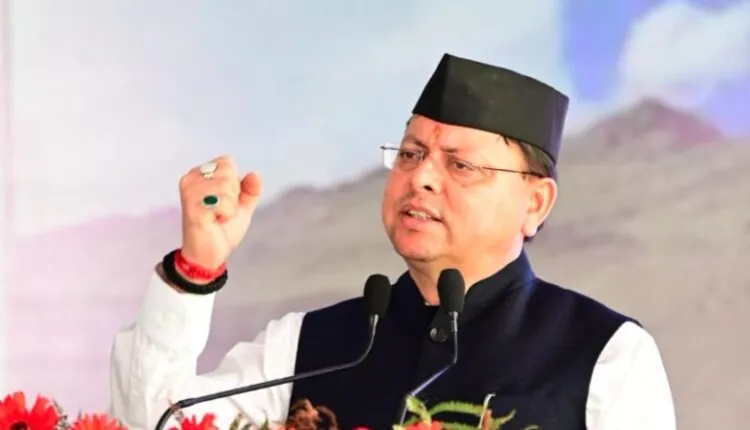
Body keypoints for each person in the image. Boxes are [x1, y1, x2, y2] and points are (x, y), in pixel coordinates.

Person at [109, 53, 675, 430]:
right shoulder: (308, 346)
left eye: (460, 165)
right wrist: (196, 268)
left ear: (535, 203)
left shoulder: (608, 355)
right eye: (410, 153)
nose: (422, 177)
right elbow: (152, 422)